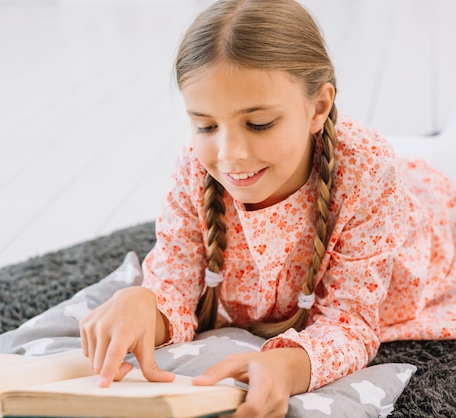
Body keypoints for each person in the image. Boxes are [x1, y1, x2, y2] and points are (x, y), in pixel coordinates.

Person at [79, 0, 456, 416]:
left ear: (318, 107)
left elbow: (350, 322)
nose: (230, 154)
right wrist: (146, 306)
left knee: (434, 168)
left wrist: (286, 366)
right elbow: (175, 283)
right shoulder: (193, 167)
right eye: (205, 125)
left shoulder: (366, 172)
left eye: (258, 124)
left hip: (425, 212)